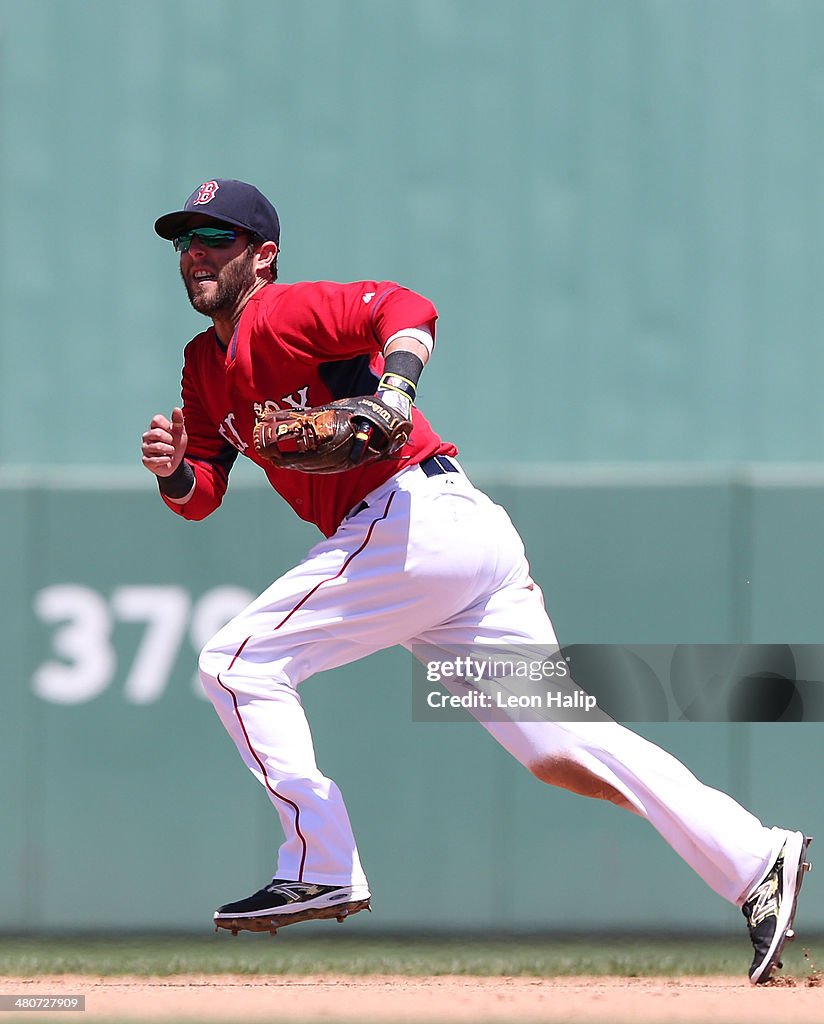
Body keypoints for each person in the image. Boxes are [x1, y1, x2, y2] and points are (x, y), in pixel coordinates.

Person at [142, 178, 810, 984]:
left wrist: (392, 390)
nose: (198, 254)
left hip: (409, 517)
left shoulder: (283, 312)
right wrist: (177, 470)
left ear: (263, 255)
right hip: (448, 540)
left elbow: (407, 306)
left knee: (236, 662)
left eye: (217, 237)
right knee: (563, 749)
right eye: (186, 242)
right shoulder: (200, 366)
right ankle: (755, 857)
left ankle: (319, 860)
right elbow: (202, 494)